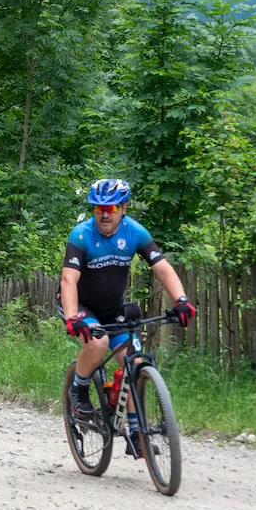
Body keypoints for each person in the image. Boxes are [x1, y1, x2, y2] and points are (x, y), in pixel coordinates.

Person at [60, 178, 196, 457]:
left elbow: (163, 268)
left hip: (113, 308)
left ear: (123, 208)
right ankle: (79, 389)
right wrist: (73, 316)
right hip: (81, 305)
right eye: (98, 209)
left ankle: (136, 433)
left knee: (134, 362)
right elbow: (68, 279)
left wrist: (181, 300)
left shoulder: (134, 232)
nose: (104, 214)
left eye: (110, 207)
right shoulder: (82, 235)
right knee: (98, 343)